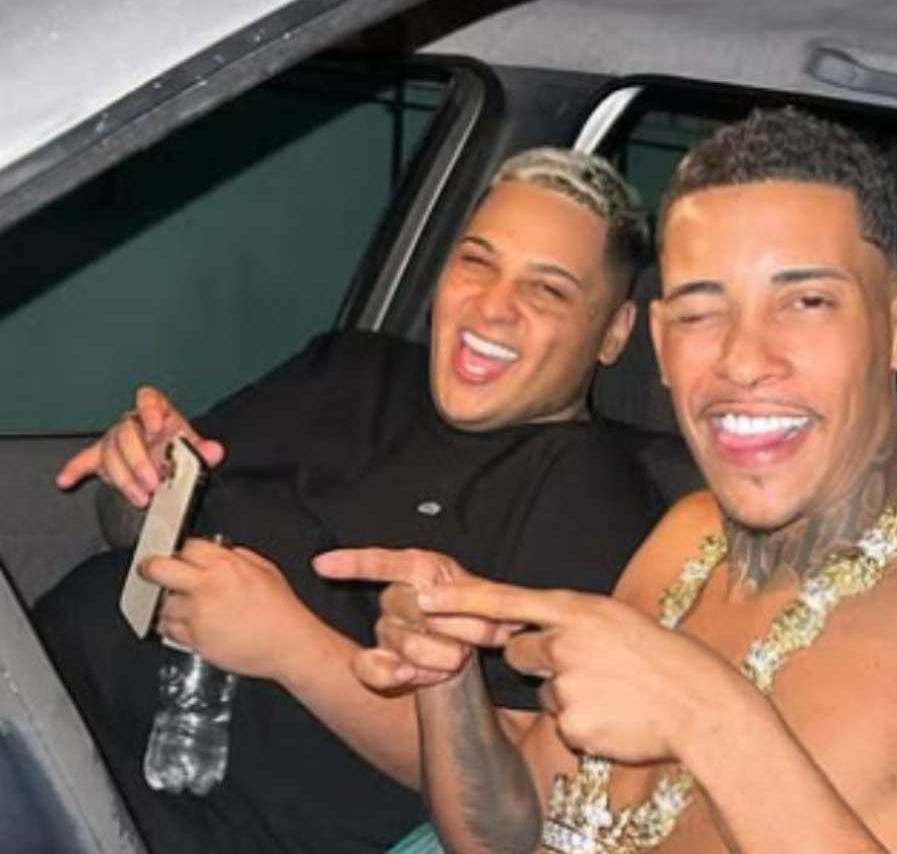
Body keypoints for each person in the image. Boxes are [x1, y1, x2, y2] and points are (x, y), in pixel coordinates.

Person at [324, 109, 897, 853]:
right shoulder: (684, 539)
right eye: (700, 313)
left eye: (806, 302)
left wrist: (707, 718)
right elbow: (507, 836)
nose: (742, 359)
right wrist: (448, 680)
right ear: (662, 345)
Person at [36, 148, 670, 854]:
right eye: (476, 261)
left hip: (168, 822)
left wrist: (290, 647)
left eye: (546, 290)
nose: (493, 306)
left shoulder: (593, 493)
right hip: (43, 701)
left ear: (614, 332)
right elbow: (127, 528)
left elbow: (514, 793)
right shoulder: (351, 368)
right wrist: (144, 477)